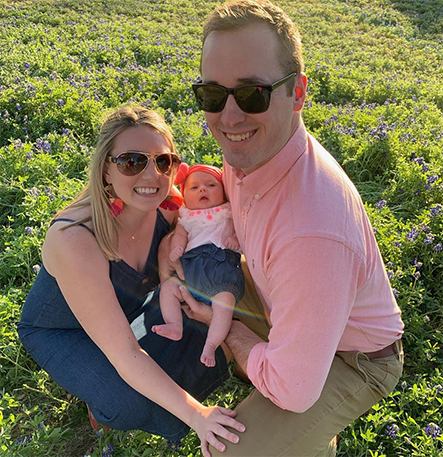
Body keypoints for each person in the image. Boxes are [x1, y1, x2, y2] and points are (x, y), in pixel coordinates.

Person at [175, 1, 405, 455]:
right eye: (212, 95)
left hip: (356, 358)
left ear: (297, 93)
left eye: (253, 93)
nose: (229, 118)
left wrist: (233, 330)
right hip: (290, 302)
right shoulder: (251, 152)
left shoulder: (313, 233)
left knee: (231, 452)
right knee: (189, 278)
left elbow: (294, 391)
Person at [17, 106, 245, 457]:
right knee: (129, 402)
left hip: (129, 311)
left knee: (201, 315)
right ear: (106, 169)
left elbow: (214, 217)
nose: (152, 175)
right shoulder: (76, 238)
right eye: (132, 161)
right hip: (63, 330)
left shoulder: (170, 208)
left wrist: (170, 254)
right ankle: (99, 403)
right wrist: (198, 415)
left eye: (163, 161)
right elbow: (124, 353)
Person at [152, 163, 245, 368]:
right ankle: (175, 325)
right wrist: (176, 249)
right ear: (185, 197)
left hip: (222, 273)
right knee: (168, 288)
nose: (202, 189)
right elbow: (179, 237)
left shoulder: (228, 212)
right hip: (191, 273)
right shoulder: (186, 218)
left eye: (211, 185)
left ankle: (211, 344)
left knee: (223, 305)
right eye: (194, 188)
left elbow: (245, 231)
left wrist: (236, 239)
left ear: (224, 192)